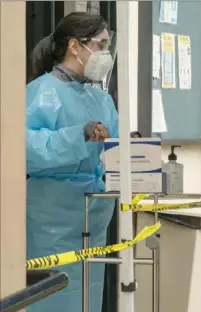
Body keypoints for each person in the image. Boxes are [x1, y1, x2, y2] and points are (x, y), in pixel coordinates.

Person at [26, 12, 118, 312]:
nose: (105, 54)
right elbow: (26, 150)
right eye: (100, 45)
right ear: (75, 47)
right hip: (51, 217)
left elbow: (112, 155)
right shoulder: (41, 93)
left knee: (88, 294)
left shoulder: (101, 100)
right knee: (53, 294)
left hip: (93, 214)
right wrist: (77, 135)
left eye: (108, 45)